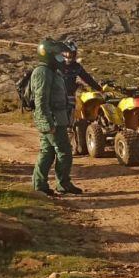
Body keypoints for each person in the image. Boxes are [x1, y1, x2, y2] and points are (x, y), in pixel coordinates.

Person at [31, 38, 83, 197]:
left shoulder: (52, 71)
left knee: (47, 152)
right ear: (49, 55)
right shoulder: (43, 72)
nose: (62, 58)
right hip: (52, 119)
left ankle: (39, 185)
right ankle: (63, 184)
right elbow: (41, 100)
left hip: (57, 118)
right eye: (58, 55)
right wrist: (47, 123)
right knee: (64, 151)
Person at [60, 41, 102, 156]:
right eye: (68, 53)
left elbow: (87, 78)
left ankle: (73, 147)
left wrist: (99, 88)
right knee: (57, 122)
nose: (70, 56)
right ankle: (55, 147)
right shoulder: (57, 65)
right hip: (56, 97)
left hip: (70, 96)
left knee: (72, 121)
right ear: (62, 53)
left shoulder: (76, 67)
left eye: (72, 54)